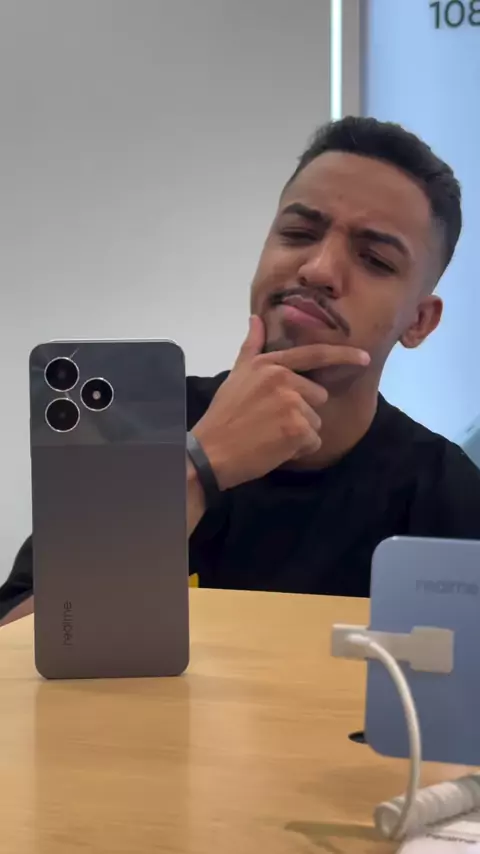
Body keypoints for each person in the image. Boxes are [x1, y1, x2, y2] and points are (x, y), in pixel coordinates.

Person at [2, 115, 480, 626]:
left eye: (375, 260)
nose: (318, 269)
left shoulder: (447, 493)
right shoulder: (127, 427)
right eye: (298, 233)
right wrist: (197, 468)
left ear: (419, 321)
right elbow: (17, 646)